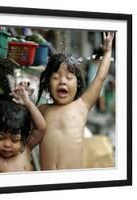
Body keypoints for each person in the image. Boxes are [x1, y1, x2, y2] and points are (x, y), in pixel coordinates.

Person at [33, 32, 114, 170]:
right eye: (55, 77)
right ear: (47, 83)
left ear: (78, 85)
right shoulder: (42, 110)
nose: (62, 81)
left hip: (73, 179)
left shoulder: (81, 106)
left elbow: (100, 78)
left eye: (69, 78)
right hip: (46, 180)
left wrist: (107, 53)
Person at [0, 100, 46, 173]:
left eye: (14, 140)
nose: (7, 144)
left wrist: (28, 102)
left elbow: (41, 128)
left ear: (24, 140)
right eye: (1, 138)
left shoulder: (26, 148)